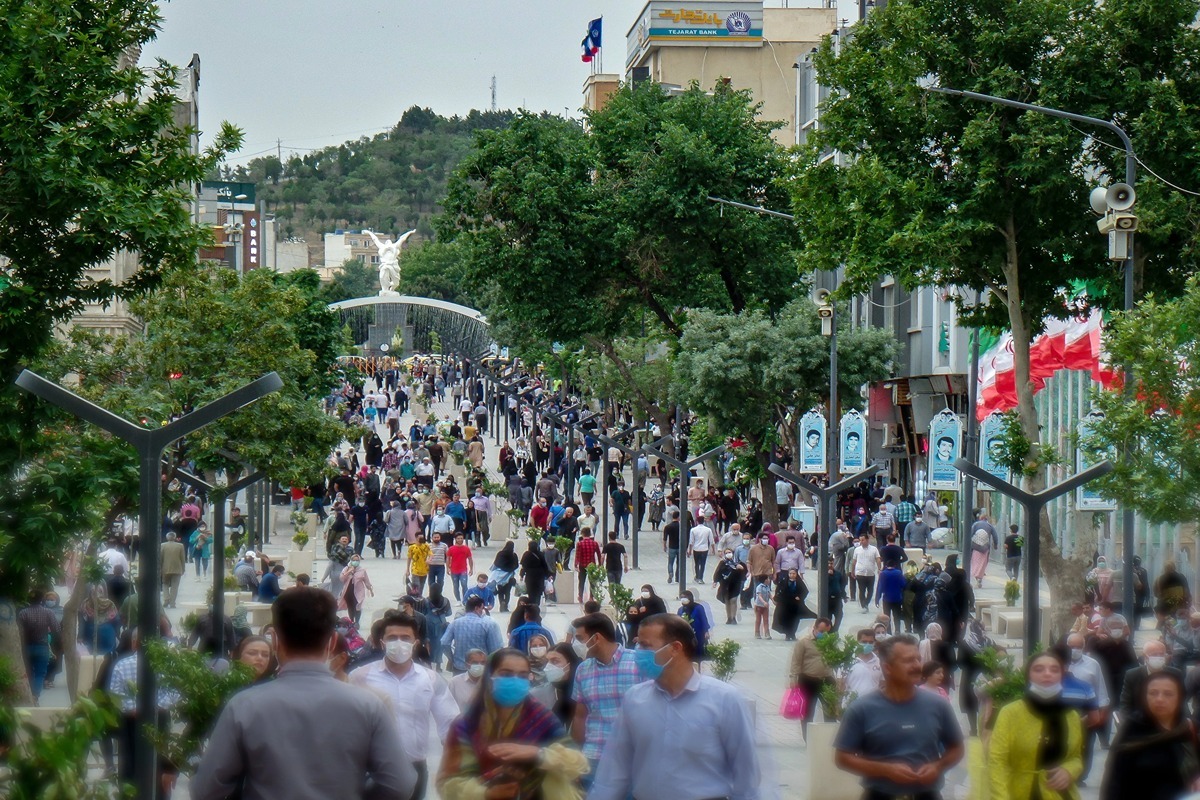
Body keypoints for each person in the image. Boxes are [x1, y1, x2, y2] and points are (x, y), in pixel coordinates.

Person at [192, 588, 417, 800]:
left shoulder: (244, 706)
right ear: (331, 642)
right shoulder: (368, 705)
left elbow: (206, 788)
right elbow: (400, 783)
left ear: (275, 641)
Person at [589, 613, 759, 800]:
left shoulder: (724, 700)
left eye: (645, 645)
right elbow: (614, 770)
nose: (638, 652)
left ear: (675, 648)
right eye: (638, 644)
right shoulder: (635, 699)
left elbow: (746, 775)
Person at [437, 648, 588, 800]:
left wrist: (538, 754)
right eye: (506, 674)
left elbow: (578, 762)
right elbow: (447, 784)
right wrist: (486, 793)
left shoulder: (540, 718)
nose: (515, 681)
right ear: (489, 677)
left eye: (523, 676)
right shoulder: (467, 725)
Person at [835, 634, 964, 798]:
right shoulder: (861, 708)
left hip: (927, 795)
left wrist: (938, 766)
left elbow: (956, 748)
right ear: (887, 668)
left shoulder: (938, 704)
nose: (917, 665)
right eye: (908, 661)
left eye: (918, 659)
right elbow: (842, 758)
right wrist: (885, 770)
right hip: (879, 795)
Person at [350, 613, 459, 800]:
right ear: (382, 642)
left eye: (405, 638)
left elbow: (450, 722)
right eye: (392, 638)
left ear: (415, 643)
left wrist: (456, 763)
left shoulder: (430, 679)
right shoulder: (359, 677)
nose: (399, 643)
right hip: (372, 769)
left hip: (415, 767)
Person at [989, 651, 1084, 800]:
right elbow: (997, 761)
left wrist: (1069, 771)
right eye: (1039, 669)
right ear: (1028, 676)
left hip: (1060, 794)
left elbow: (1076, 757)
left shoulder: (1071, 715)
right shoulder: (1010, 713)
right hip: (1019, 793)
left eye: (1054, 670)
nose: (1047, 674)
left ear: (1062, 676)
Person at [1102, 669, 1200, 799]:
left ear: (1180, 697)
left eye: (1168, 694)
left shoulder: (1187, 728)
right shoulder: (1132, 728)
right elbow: (1114, 778)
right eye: (1153, 693)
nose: (1159, 699)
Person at [569, 612, 643, 784]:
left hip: (632, 758)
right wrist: (576, 756)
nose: (575, 644)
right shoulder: (583, 669)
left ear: (596, 638)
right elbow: (580, 717)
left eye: (579, 638)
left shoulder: (637, 663)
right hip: (594, 757)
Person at [790, 618, 835, 738]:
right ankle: (808, 739)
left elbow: (836, 659)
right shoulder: (804, 642)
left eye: (827, 632)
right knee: (807, 712)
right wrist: (793, 680)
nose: (824, 634)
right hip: (808, 680)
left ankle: (829, 739)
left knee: (830, 711)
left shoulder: (830, 642)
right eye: (821, 631)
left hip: (827, 679)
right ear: (814, 628)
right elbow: (796, 662)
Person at [440, 596, 503, 673]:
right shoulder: (488, 624)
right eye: (482, 608)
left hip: (460, 667)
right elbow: (496, 649)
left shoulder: (455, 623)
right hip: (481, 669)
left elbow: (444, 643)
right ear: (476, 608)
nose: (483, 611)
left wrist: (452, 658)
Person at [18, 590, 60, 702]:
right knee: (40, 673)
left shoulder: (23, 613)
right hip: (42, 647)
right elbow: (56, 629)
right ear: (42, 599)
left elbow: (19, 632)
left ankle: (30, 694)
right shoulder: (48, 612)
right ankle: (35, 696)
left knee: (29, 672)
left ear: (29, 599)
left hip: (26, 647)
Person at [531, 642, 581, 727]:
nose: (548, 667)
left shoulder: (583, 694)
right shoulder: (536, 695)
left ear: (571, 664)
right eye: (547, 662)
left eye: (555, 661)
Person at [772, 568, 813, 641]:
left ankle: (792, 634)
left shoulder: (799, 583)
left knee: (795, 620)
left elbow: (805, 591)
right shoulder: (784, 582)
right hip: (785, 605)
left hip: (795, 605)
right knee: (786, 620)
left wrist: (800, 597)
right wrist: (777, 599)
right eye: (790, 573)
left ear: (796, 574)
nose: (792, 575)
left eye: (794, 573)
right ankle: (787, 634)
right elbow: (779, 591)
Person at [713, 548, 748, 625]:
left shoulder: (738, 563)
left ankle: (733, 617)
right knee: (727, 601)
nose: (728, 554)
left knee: (733, 600)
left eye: (730, 552)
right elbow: (718, 572)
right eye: (726, 553)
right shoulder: (723, 563)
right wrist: (715, 581)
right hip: (725, 585)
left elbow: (745, 572)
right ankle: (729, 617)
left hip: (735, 584)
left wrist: (741, 569)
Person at [850, 533, 881, 612]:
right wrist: (852, 571)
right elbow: (854, 561)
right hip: (860, 572)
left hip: (870, 573)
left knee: (870, 591)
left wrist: (879, 568)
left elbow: (878, 559)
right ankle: (863, 605)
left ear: (867, 540)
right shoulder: (857, 550)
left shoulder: (874, 549)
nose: (861, 542)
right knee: (862, 590)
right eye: (860, 540)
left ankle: (866, 602)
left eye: (863, 540)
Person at [339, 554, 373, 624]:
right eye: (354, 560)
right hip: (348, 592)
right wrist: (349, 571)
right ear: (351, 561)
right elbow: (341, 579)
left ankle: (357, 622)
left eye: (357, 560)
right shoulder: (346, 569)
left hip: (359, 591)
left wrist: (370, 590)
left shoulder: (362, 570)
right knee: (350, 607)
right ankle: (352, 621)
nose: (355, 562)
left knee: (358, 606)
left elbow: (366, 581)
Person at [678, 589, 713, 657]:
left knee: (699, 649)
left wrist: (706, 631)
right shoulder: (680, 610)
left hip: (698, 633)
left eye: (685, 597)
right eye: (681, 597)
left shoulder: (698, 607)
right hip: (686, 634)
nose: (683, 599)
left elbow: (703, 619)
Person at [969, 511, 998, 588]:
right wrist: (995, 545)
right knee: (983, 563)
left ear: (980, 518)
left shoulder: (975, 524)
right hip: (985, 548)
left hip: (976, 547)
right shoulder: (990, 526)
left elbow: (970, 534)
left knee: (975, 562)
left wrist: (969, 545)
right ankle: (980, 578)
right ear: (986, 519)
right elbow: (995, 536)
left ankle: (976, 577)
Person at [160, 532, 186, 609]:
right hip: (177, 568)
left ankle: (166, 599)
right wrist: (183, 568)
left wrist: (160, 568)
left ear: (167, 537)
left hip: (165, 569)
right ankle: (172, 603)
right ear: (175, 537)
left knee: (165, 584)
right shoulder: (180, 546)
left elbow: (160, 558)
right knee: (175, 586)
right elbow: (182, 558)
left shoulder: (162, 545)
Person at [687, 515, 717, 582]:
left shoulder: (693, 530)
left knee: (696, 563)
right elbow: (711, 540)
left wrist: (689, 551)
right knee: (703, 564)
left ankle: (697, 576)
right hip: (704, 549)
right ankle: (701, 577)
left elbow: (691, 542)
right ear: (703, 521)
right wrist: (713, 550)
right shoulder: (708, 530)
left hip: (696, 548)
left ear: (697, 521)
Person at [446, 533, 474, 604]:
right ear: (455, 539)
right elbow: (448, 559)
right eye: (458, 538)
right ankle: (458, 600)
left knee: (464, 585)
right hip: (454, 570)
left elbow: (470, 559)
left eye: (461, 538)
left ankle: (465, 600)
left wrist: (471, 569)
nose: (460, 540)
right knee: (456, 586)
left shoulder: (466, 548)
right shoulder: (451, 549)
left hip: (463, 570)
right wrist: (447, 568)